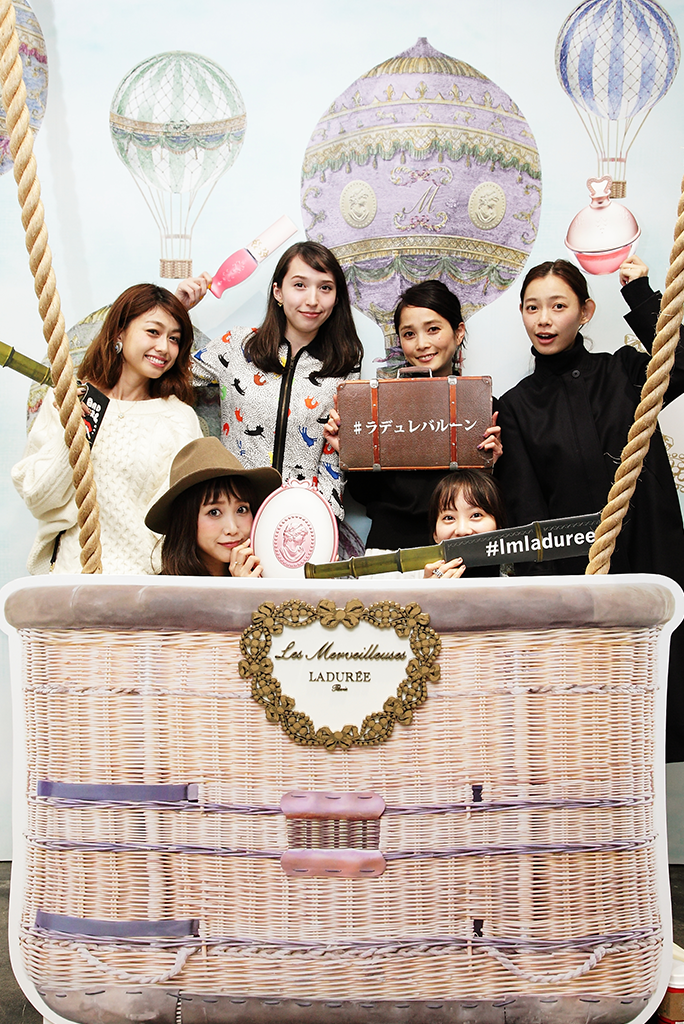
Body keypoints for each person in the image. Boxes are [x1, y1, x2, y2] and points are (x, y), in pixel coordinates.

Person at [494, 254, 684, 761]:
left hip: (650, 553)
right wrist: (555, 602)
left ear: (585, 311)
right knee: (592, 725)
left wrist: (640, 294)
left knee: (662, 706)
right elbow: (528, 513)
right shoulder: (514, 407)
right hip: (578, 581)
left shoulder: (623, 370)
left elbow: (681, 360)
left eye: (558, 306)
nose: (544, 319)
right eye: (532, 307)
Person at [12, 283, 203, 574]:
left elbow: (183, 521)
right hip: (71, 578)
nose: (164, 348)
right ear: (119, 333)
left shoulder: (179, 418)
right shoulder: (69, 399)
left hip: (145, 583)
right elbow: (39, 498)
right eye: (153, 332)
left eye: (174, 339)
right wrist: (72, 435)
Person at [175, 242, 363, 527]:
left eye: (325, 288)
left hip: (303, 518)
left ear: (336, 298)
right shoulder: (237, 346)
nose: (313, 300)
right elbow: (171, 372)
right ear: (278, 292)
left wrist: (324, 518)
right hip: (236, 514)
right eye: (299, 285)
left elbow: (333, 454)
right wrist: (177, 310)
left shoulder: (345, 363)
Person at [324, 280, 501, 550]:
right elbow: (365, 495)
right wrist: (350, 451)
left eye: (433, 329)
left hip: (462, 549)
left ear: (458, 332)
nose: (422, 344)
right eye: (409, 334)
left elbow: (496, 503)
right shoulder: (377, 406)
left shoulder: (484, 407)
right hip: (390, 549)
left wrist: (492, 465)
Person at [145, 436, 281, 577]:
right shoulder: (162, 589)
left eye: (241, 509)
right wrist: (240, 589)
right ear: (185, 520)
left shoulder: (272, 576)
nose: (232, 529)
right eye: (214, 512)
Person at [423, 469, 507, 579]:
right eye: (449, 518)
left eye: (476, 515)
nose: (462, 531)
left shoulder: (520, 584)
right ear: (435, 534)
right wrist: (426, 589)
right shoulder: (409, 582)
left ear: (499, 527)